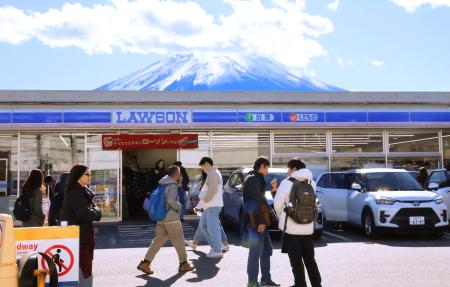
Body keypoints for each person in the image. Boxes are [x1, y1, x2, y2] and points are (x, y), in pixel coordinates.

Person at [137, 165, 194, 274]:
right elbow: (171, 201)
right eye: (179, 173)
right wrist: (179, 207)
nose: (180, 175)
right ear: (175, 174)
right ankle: (184, 264)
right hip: (171, 217)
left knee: (158, 240)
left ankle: (145, 263)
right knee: (179, 240)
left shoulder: (162, 183)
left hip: (160, 217)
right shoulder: (172, 185)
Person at [273, 158, 322, 287]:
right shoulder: (312, 182)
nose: (287, 171)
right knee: (310, 260)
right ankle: (317, 284)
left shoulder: (286, 183)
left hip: (291, 228)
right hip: (308, 228)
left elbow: (277, 205)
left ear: (294, 169)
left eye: (288, 168)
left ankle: (300, 284)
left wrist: (282, 217)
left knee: (296, 261)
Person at [60, 164, 102, 287]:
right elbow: (85, 213)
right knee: (84, 268)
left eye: (90, 174)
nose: (90, 176)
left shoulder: (82, 191)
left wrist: (95, 211)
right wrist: (97, 211)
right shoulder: (75, 192)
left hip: (82, 235)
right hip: (78, 237)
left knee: (84, 266)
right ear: (78, 176)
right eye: (87, 174)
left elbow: (90, 212)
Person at [243, 157, 279, 287]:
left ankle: (265, 279)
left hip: (259, 221)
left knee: (266, 251)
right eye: (267, 167)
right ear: (262, 166)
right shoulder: (253, 179)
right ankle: (252, 282)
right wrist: (260, 222)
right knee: (255, 252)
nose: (268, 170)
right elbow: (253, 202)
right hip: (256, 223)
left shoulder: (256, 178)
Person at [185, 171, 230, 252]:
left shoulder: (208, 180)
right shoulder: (213, 177)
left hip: (210, 206)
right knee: (208, 224)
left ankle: (215, 246)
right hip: (214, 205)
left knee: (203, 225)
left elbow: (206, 195)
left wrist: (199, 207)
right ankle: (195, 243)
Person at [197, 157, 225, 258]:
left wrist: (204, 200)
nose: (203, 169)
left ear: (207, 164)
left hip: (212, 205)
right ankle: (215, 247)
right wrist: (203, 204)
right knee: (204, 226)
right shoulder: (212, 173)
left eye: (203, 166)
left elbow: (211, 191)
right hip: (210, 206)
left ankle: (217, 250)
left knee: (213, 228)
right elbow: (210, 191)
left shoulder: (213, 174)